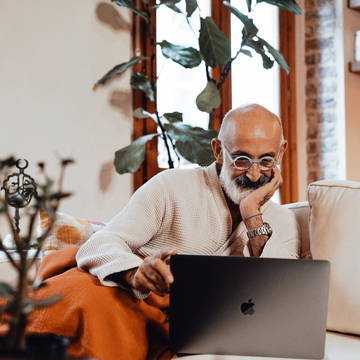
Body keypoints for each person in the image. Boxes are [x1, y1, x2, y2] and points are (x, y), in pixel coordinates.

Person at [27, 104, 300, 360]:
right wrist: (134, 273)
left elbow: (284, 300)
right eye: (241, 159)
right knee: (90, 302)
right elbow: (103, 242)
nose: (254, 175)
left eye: (266, 161)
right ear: (218, 150)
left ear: (282, 152)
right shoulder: (172, 186)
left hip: (190, 325)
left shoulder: (283, 220)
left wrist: (252, 213)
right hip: (129, 298)